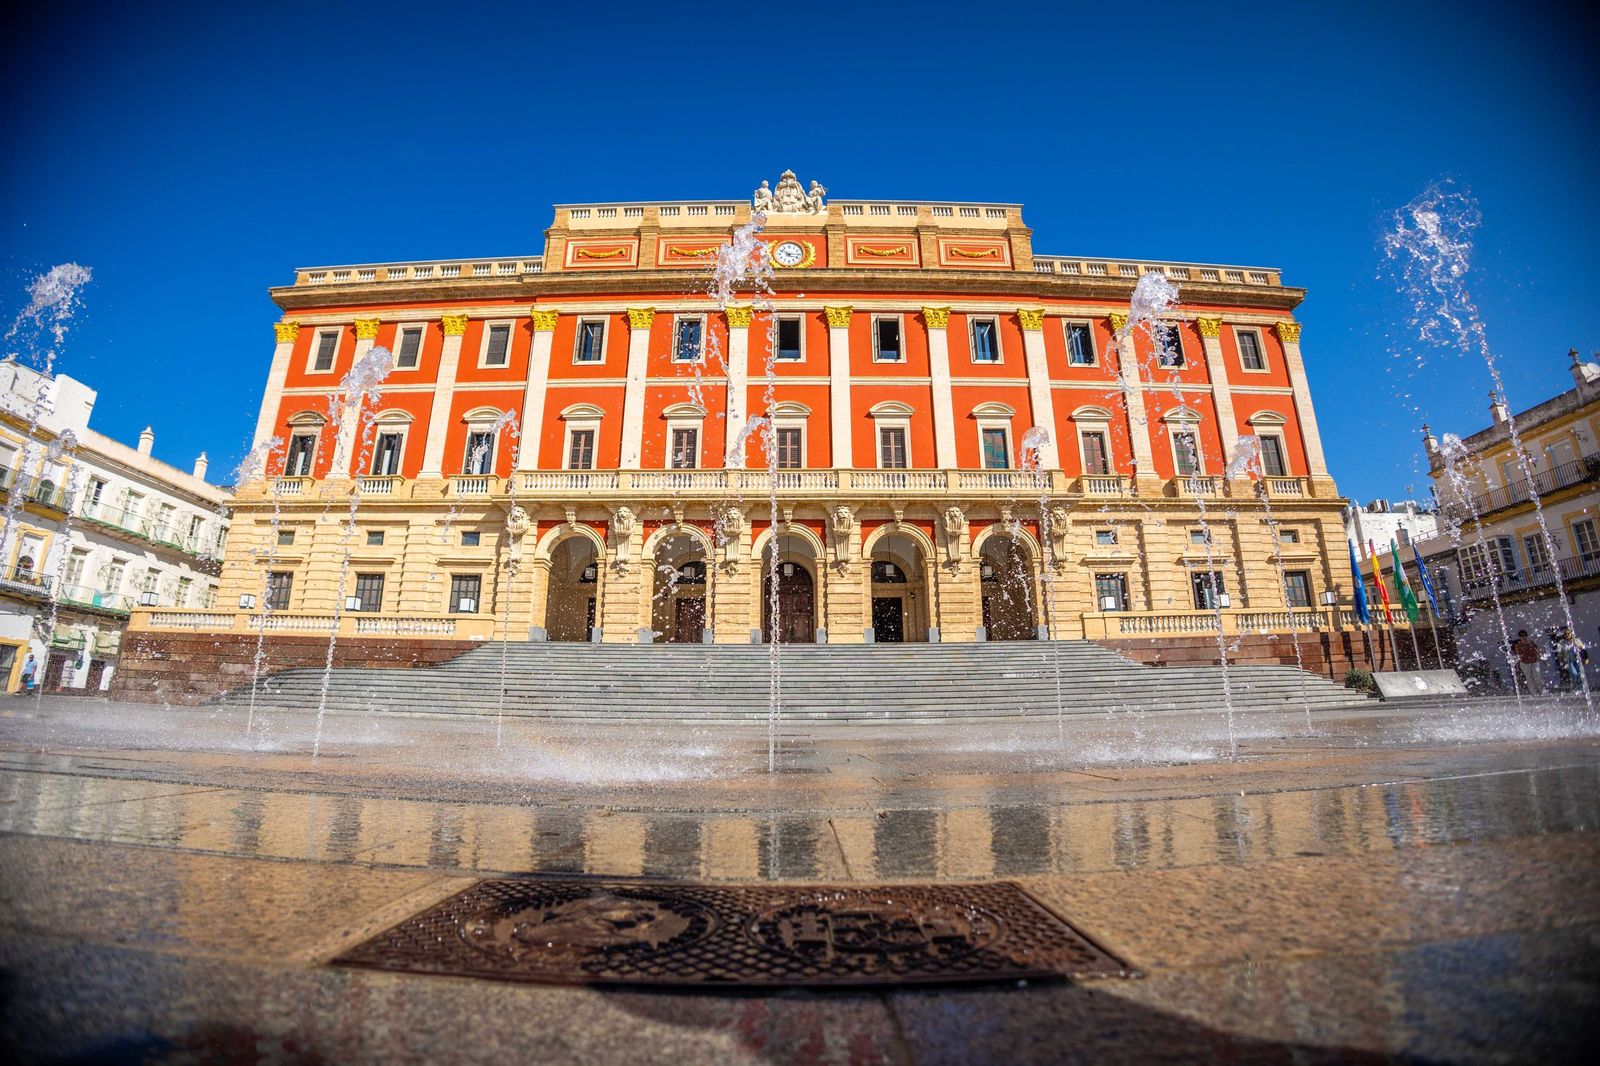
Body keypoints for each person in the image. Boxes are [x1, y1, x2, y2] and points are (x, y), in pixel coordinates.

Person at [1512, 630, 1542, 695]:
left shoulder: (1531, 643)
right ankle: (1533, 692)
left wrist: (1539, 657)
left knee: (1537, 676)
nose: (1524, 637)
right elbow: (1518, 654)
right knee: (1529, 677)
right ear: (1519, 637)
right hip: (1524, 662)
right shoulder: (1518, 645)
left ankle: (1540, 690)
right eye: (1522, 636)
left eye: (1525, 636)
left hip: (1534, 661)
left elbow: (1537, 651)